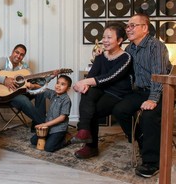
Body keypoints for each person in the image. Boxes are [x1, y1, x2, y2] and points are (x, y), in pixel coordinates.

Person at [111, 13, 171, 178]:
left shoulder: (156, 46)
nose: (128, 29)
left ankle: (152, 162)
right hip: (139, 91)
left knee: (148, 117)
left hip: (161, 90)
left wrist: (153, 99)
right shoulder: (130, 48)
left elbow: (158, 76)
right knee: (119, 110)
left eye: (132, 25)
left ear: (144, 28)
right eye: (127, 26)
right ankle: (141, 140)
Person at [72, 22, 133, 159]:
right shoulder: (100, 56)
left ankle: (90, 145)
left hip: (117, 93)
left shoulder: (126, 58)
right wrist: (84, 85)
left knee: (92, 110)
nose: (104, 40)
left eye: (109, 37)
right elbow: (93, 75)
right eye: (104, 37)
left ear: (119, 40)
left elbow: (110, 77)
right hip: (101, 89)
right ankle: (84, 132)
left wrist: (83, 82)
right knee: (86, 93)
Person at [0, 44, 47, 130]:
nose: (18, 56)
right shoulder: (3, 61)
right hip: (4, 96)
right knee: (23, 100)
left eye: (22, 55)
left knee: (41, 92)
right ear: (12, 52)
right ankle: (47, 124)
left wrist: (45, 79)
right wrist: (3, 80)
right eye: (17, 52)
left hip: (19, 92)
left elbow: (30, 81)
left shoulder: (24, 66)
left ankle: (37, 125)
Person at [29, 75, 72, 152]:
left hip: (58, 129)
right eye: (58, 83)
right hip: (49, 127)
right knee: (33, 141)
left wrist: (45, 124)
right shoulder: (53, 94)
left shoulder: (66, 100)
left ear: (68, 88)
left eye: (62, 84)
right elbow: (43, 89)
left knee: (48, 148)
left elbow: (62, 117)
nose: (58, 86)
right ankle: (51, 137)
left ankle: (66, 138)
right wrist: (33, 85)